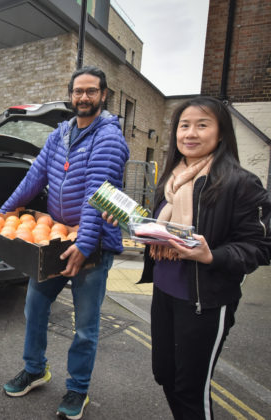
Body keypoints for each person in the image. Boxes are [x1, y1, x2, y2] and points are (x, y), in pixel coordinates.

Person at [104, 96, 271, 419]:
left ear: (221, 134)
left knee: (191, 390)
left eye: (202, 125)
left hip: (204, 302)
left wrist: (213, 255)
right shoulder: (170, 180)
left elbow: (261, 247)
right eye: (184, 126)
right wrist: (129, 220)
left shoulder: (241, 183)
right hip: (165, 293)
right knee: (165, 375)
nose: (190, 133)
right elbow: (161, 229)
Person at [1, 65, 129, 420]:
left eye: (91, 91)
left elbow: (97, 194)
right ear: (70, 95)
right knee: (34, 307)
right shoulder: (61, 134)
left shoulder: (108, 138)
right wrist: (2, 213)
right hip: (56, 238)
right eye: (78, 91)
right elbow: (34, 176)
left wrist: (85, 244)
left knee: (85, 326)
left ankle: (77, 389)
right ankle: (35, 368)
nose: (83, 97)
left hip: (92, 244)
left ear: (103, 95)